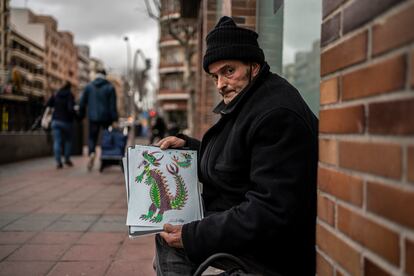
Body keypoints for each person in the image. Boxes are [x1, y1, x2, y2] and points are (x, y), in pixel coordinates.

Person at [154, 16, 318, 275]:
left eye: (229, 71)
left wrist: (194, 235)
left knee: (175, 242)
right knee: (167, 236)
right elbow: (238, 160)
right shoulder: (251, 99)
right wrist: (189, 149)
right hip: (253, 231)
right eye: (214, 76)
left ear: (253, 66)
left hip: (275, 252)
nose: (220, 84)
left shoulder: (276, 114)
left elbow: (270, 211)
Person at [79, 68, 118, 171]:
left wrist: (81, 115)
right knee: (106, 138)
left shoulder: (89, 86)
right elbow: (112, 105)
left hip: (93, 117)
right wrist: (114, 119)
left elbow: (82, 102)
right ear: (105, 75)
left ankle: (92, 153)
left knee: (92, 137)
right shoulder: (110, 87)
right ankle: (103, 158)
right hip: (106, 118)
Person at [46, 81, 76, 169]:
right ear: (69, 87)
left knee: (57, 141)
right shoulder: (70, 95)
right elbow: (71, 109)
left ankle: (58, 162)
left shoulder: (56, 94)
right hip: (66, 122)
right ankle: (66, 159)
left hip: (55, 121)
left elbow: (48, 104)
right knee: (68, 141)